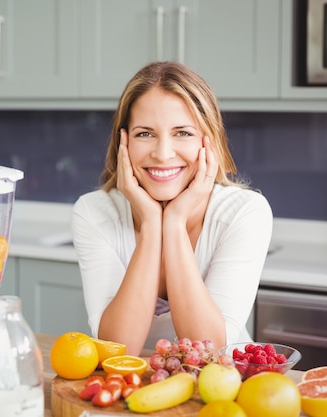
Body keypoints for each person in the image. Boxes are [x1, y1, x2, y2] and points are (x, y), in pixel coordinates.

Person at [71, 61, 273, 356]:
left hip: (222, 389)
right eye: (145, 133)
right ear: (122, 141)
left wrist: (174, 223)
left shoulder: (244, 212)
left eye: (183, 133)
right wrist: (153, 224)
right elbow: (116, 349)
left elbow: (210, 351)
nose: (163, 153)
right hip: (131, 388)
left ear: (209, 140)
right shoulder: (94, 212)